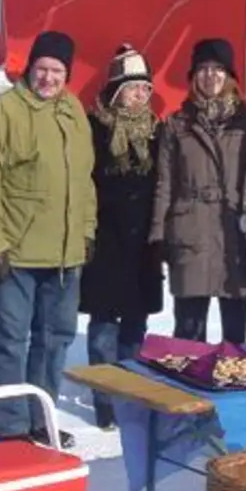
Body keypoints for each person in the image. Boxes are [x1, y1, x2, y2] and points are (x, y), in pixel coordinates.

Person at [0, 31, 97, 447]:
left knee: (54, 339)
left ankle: (42, 417)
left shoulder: (74, 112)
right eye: (41, 68)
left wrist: (86, 231)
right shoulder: (6, 111)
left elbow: (84, 182)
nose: (48, 78)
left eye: (57, 70)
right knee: (10, 341)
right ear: (30, 69)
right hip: (16, 254)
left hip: (64, 255)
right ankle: (10, 427)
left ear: (67, 74)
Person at [150, 38, 246, 343]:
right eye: (203, 69)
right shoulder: (177, 124)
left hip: (236, 236)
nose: (210, 76)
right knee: (189, 333)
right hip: (191, 234)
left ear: (230, 76)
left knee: (238, 335)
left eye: (218, 69)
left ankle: (236, 391)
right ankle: (189, 391)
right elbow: (165, 182)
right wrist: (159, 234)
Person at [79, 45, 164, 430]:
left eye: (145, 89)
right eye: (133, 89)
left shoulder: (157, 131)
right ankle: (105, 400)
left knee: (135, 328)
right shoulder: (94, 128)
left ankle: (132, 394)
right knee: (102, 330)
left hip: (142, 245)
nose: (140, 96)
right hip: (105, 242)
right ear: (116, 92)